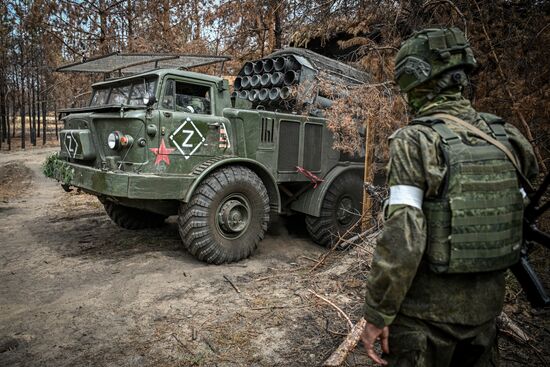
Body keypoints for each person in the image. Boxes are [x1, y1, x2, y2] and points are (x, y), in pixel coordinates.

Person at [361, 27, 538, 366]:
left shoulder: (416, 141)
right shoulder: (508, 138)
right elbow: (519, 208)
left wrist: (377, 314)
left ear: (414, 81)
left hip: (423, 325)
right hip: (484, 318)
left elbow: (404, 239)